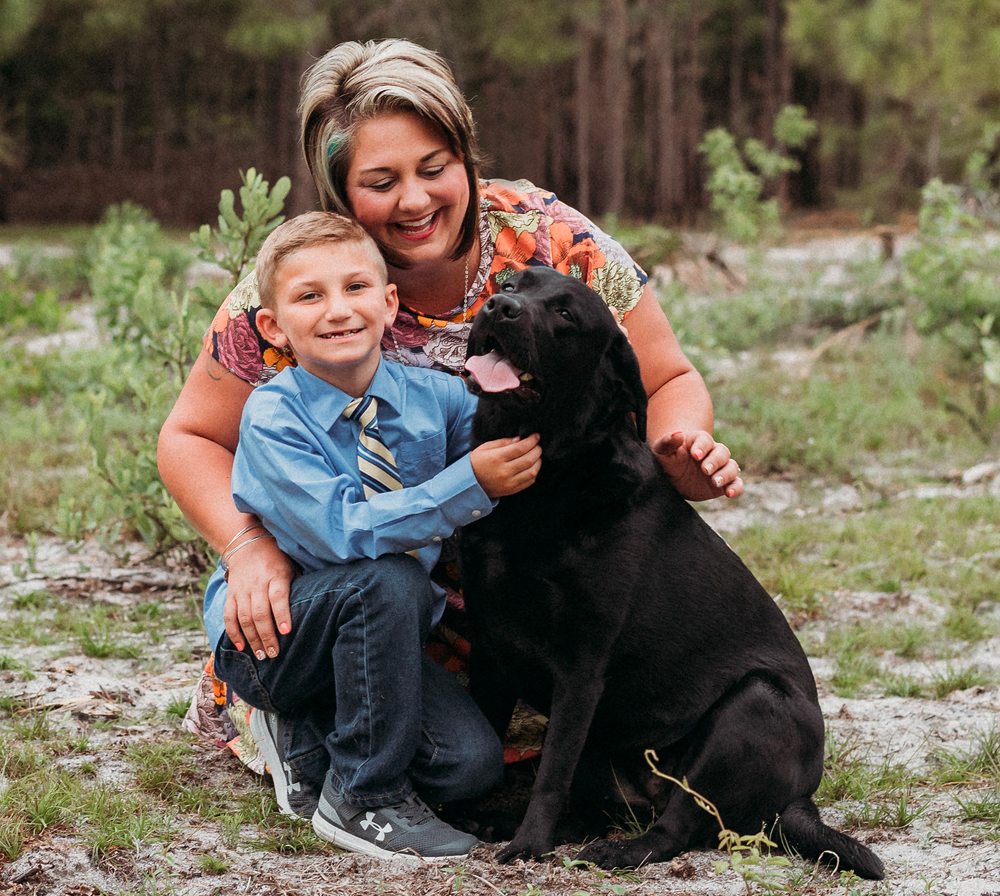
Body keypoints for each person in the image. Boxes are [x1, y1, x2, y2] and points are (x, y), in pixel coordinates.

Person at [158, 36, 742, 823]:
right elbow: (190, 436)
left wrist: (680, 450)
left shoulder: (550, 241)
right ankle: (290, 708)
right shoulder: (309, 283)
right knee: (379, 620)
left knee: (468, 770)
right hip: (338, 586)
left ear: (466, 154)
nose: (413, 200)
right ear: (338, 191)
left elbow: (664, 379)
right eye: (379, 181)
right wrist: (244, 543)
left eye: (434, 167)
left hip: (510, 611)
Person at [214, 210, 541, 859]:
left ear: (389, 302)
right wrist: (469, 482)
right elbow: (342, 534)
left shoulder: (437, 400)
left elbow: (501, 449)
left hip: (379, 652)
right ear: (275, 325)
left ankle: (309, 734)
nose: (337, 310)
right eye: (310, 295)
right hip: (276, 640)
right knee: (386, 576)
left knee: (469, 765)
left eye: (355, 288)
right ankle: (364, 797)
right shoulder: (274, 416)